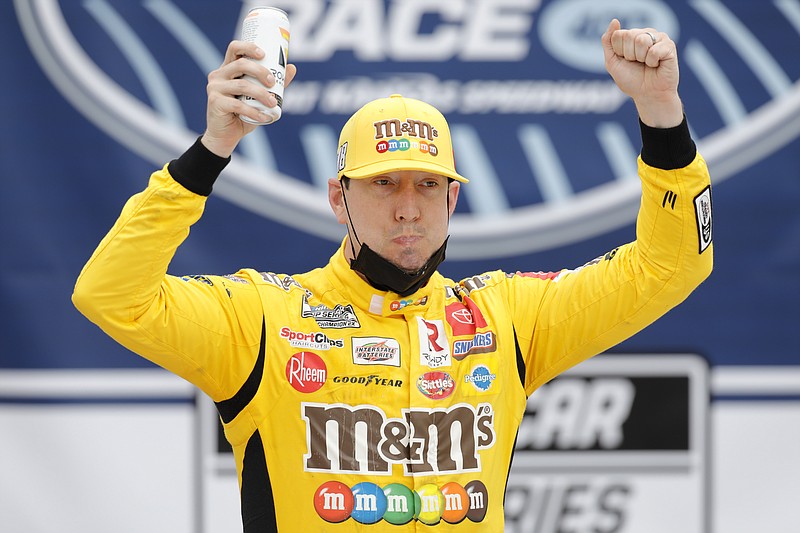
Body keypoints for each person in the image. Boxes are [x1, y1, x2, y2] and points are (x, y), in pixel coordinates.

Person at [73, 18, 712, 532]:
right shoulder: (262, 319)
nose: (408, 207)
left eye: (428, 185)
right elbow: (110, 295)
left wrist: (661, 115)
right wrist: (210, 152)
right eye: (383, 185)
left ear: (453, 199)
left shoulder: (506, 317)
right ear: (337, 196)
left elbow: (673, 263)